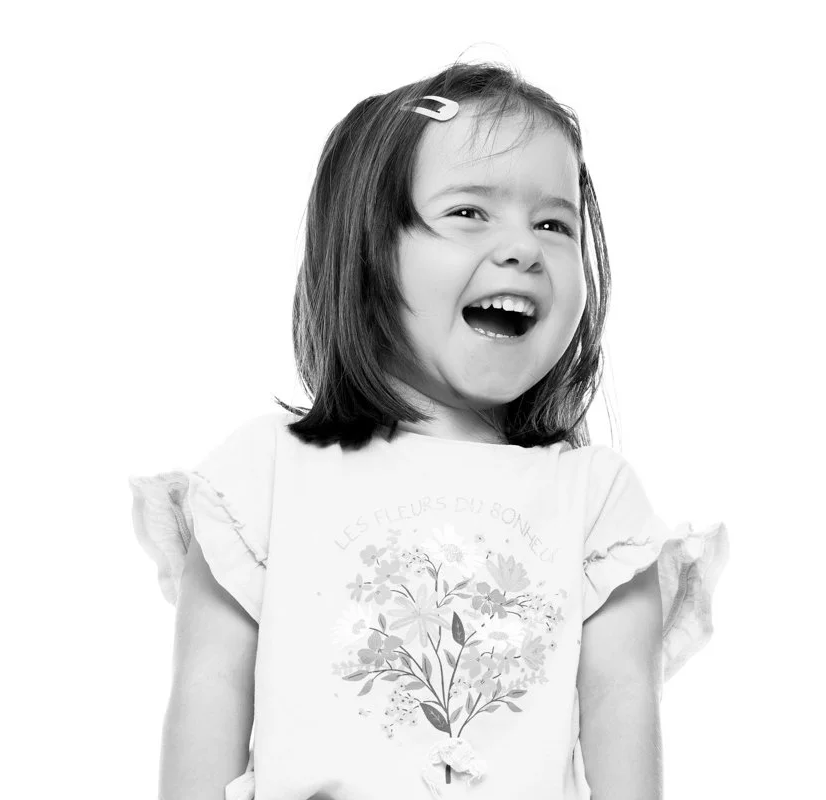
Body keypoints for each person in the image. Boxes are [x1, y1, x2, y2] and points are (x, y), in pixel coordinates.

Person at [129, 61, 730, 800]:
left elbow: (622, 709)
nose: (523, 248)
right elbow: (207, 690)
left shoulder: (596, 503)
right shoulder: (267, 474)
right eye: (471, 212)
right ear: (368, 246)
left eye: (553, 222)